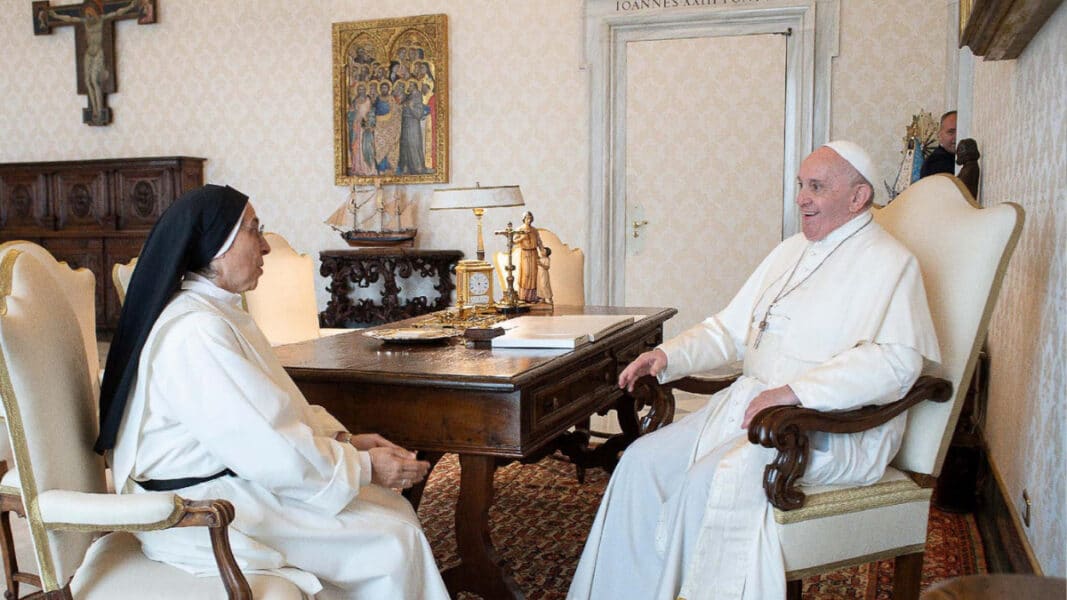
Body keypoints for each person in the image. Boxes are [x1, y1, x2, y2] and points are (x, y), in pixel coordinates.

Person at [568, 141, 940, 600]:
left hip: (829, 428)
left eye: (817, 187)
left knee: (707, 482)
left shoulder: (891, 262)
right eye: (801, 185)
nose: (801, 197)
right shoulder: (788, 253)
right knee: (640, 465)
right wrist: (669, 357)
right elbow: (731, 328)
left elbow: (898, 362)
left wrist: (796, 392)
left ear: (858, 197)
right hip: (753, 411)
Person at [96, 185, 449, 599]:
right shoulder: (195, 331)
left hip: (230, 483)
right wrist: (365, 466)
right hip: (200, 510)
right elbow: (265, 443)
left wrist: (345, 442)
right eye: (253, 231)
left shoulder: (215, 311)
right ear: (217, 248)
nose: (264, 246)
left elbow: (274, 409)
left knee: (390, 514)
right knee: (392, 540)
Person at [47, 0, 141, 124]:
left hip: (98, 53)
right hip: (88, 53)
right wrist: (55, 16)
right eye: (86, 15)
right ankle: (94, 111)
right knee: (87, 81)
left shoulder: (102, 19)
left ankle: (99, 108)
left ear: (94, 12)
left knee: (95, 81)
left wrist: (130, 6)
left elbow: (117, 12)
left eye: (90, 14)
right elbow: (69, 18)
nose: (88, 17)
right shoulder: (85, 22)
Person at [512, 211, 545, 303]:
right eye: (526, 218)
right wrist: (523, 237)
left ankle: (532, 297)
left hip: (533, 253)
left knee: (533, 274)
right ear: (524, 219)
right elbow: (514, 241)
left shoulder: (534, 230)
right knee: (526, 274)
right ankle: (523, 296)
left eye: (530, 218)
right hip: (525, 253)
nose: (528, 220)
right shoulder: (520, 229)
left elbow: (539, 241)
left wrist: (542, 250)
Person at [920, 110, 957, 178]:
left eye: (960, 130)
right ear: (940, 135)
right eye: (951, 132)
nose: (957, 136)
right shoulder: (936, 164)